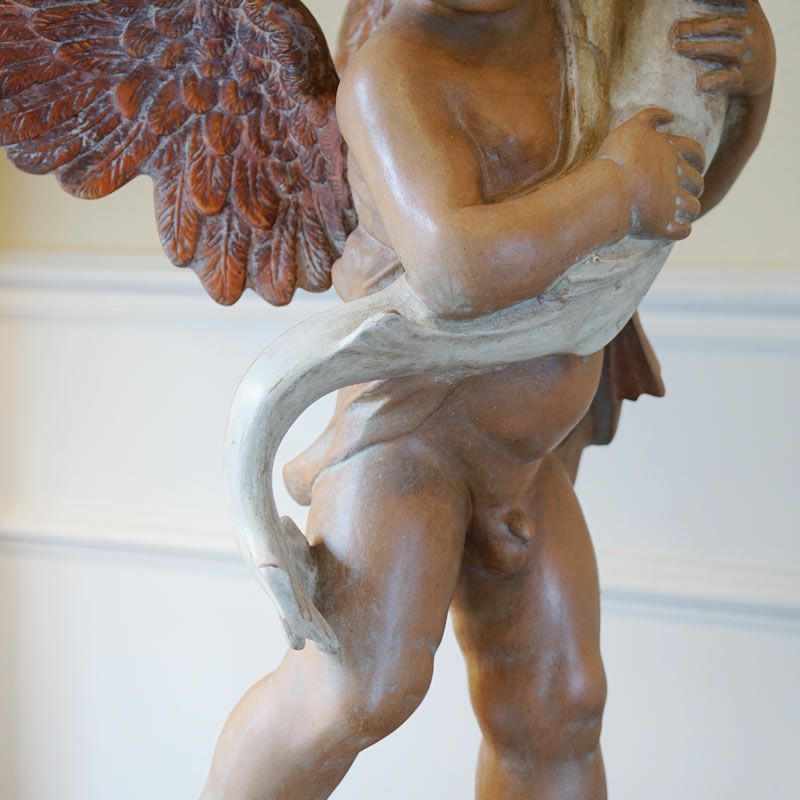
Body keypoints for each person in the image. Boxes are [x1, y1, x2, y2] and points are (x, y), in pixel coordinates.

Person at [202, 2, 775, 798]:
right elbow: (455, 266)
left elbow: (674, 195)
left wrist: (751, 94)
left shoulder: (583, 30)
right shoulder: (395, 73)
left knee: (560, 709)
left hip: (527, 457)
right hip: (411, 438)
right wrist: (616, 186)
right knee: (357, 688)